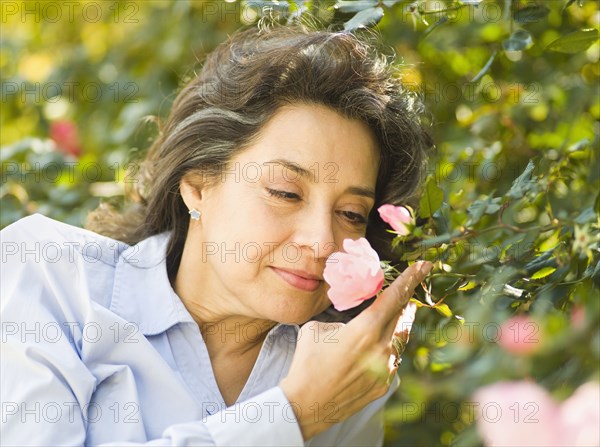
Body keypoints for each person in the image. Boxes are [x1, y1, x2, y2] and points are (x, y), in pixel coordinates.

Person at [0, 21, 433, 446]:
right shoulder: (50, 275)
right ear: (198, 184)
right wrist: (294, 415)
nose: (321, 241)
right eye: (285, 192)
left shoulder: (349, 371)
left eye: (351, 213)